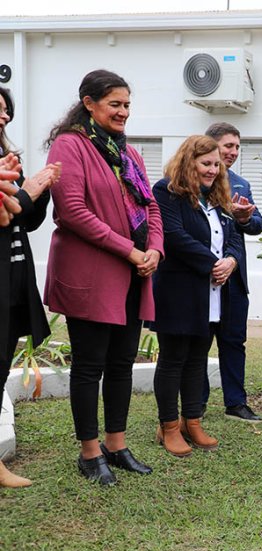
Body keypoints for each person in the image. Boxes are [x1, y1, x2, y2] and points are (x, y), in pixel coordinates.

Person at [45, 69, 162, 485]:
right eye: (115, 104)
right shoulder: (69, 145)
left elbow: (150, 206)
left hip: (134, 275)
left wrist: (154, 250)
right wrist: (130, 250)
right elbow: (72, 212)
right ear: (89, 103)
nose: (123, 112)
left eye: (127, 104)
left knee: (121, 364)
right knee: (90, 365)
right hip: (92, 275)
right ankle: (89, 452)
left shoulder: (128, 153)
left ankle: (116, 443)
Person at [150, 135, 243, 457]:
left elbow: (232, 235)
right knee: (173, 359)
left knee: (196, 360)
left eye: (217, 165)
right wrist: (213, 263)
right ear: (189, 162)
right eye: (206, 164)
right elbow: (174, 236)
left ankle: (193, 421)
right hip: (179, 290)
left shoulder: (217, 197)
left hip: (211, 293)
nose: (213, 171)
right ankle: (169, 426)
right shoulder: (167, 191)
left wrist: (230, 260)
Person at [0, 87, 60, 488]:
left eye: (6, 111)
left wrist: (43, 188)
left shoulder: (8, 162)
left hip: (14, 275)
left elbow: (27, 219)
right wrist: (27, 190)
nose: (3, 117)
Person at [201, 122, 262, 422]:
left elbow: (257, 225)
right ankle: (195, 403)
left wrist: (243, 218)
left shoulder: (241, 184)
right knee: (198, 342)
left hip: (234, 276)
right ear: (210, 145)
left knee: (234, 340)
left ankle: (236, 403)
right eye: (228, 145)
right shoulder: (191, 181)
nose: (233, 152)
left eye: (237, 147)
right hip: (201, 276)